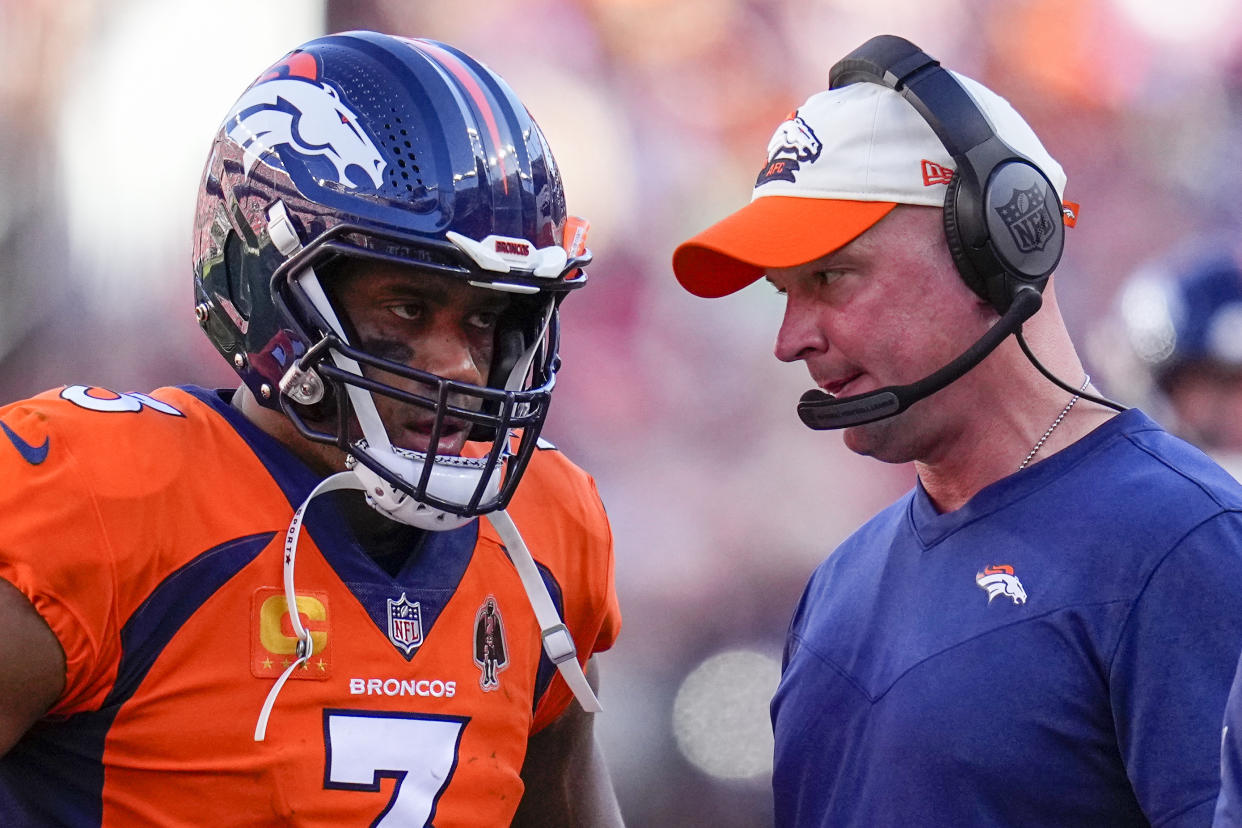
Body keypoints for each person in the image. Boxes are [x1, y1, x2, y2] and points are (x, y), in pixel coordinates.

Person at [0, 31, 623, 827]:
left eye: (488, 317)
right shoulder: (97, 504)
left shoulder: (548, 532)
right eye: (408, 307)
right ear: (269, 290)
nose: (462, 366)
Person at [672, 34, 1242, 826]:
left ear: (997, 241)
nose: (790, 337)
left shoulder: (1185, 544)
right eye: (782, 292)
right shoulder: (838, 587)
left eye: (831, 276)